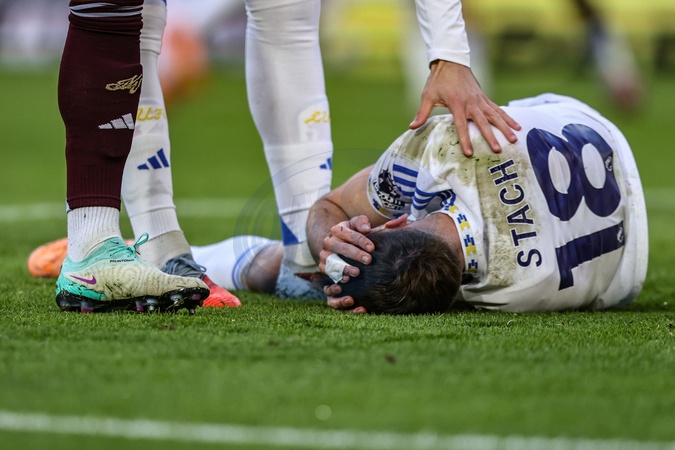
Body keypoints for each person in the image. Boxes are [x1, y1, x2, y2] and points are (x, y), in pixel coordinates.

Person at [188, 93, 648, 314]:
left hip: (627, 261)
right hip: (589, 128)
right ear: (393, 223)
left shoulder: (510, 293)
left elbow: (331, 204)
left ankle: (192, 261)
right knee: (320, 275)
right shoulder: (442, 151)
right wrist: (330, 244)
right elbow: (336, 211)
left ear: (395, 221)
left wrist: (325, 249)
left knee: (299, 277)